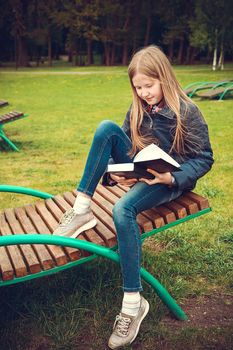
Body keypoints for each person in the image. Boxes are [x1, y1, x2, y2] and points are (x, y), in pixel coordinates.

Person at [53, 45, 214, 349]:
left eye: (148, 86)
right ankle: (81, 210)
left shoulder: (187, 111)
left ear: (164, 78)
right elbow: (127, 145)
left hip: (166, 180)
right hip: (144, 169)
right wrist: (116, 172)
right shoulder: (138, 108)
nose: (143, 93)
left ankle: (132, 303)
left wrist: (173, 178)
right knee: (106, 129)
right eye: (138, 87)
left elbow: (204, 158)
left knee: (122, 209)